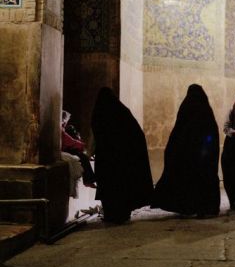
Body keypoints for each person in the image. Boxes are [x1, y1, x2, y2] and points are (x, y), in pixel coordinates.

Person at [151, 84, 220, 218]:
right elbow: (211, 136)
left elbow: (178, 134)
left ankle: (188, 207)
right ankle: (205, 208)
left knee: (189, 180)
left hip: (189, 156)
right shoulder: (207, 113)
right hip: (204, 157)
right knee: (204, 180)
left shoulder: (186, 109)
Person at [91, 87, 154, 224]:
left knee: (109, 187)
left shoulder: (99, 113)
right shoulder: (122, 112)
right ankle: (123, 214)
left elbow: (97, 136)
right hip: (123, 160)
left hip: (106, 159)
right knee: (123, 186)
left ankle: (111, 215)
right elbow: (137, 135)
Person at [61, 110, 96, 188]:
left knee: (83, 156)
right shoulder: (61, 129)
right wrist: (81, 145)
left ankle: (89, 180)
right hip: (64, 149)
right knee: (83, 157)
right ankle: (88, 180)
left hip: (67, 147)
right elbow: (68, 141)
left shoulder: (63, 128)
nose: (66, 122)